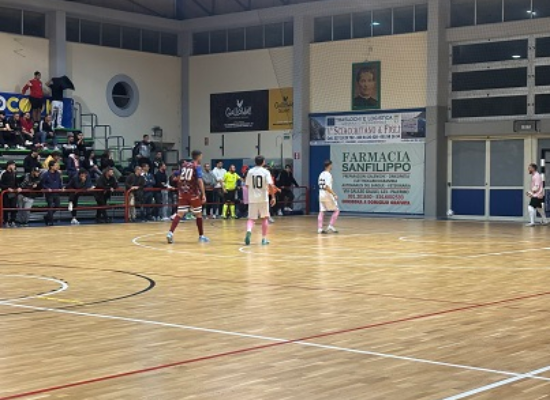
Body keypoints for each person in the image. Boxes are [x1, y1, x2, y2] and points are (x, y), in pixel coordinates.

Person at [166, 150, 209, 244]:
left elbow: (176, 175)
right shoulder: (196, 166)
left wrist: (177, 180)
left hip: (183, 193)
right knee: (198, 214)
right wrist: (203, 194)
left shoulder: (184, 165)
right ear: (199, 156)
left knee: (179, 214)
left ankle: (170, 233)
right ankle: (201, 236)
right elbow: (200, 180)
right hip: (193, 193)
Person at [244, 156, 277, 246]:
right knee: (265, 218)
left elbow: (246, 185)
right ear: (263, 162)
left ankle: (249, 231)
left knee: (251, 218)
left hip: (252, 198)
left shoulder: (250, 171)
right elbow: (270, 185)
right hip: (263, 198)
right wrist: (273, 197)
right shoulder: (266, 172)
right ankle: (263, 239)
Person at [317, 160, 340, 234]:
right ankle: (331, 225)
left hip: (321, 193)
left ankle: (320, 228)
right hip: (327, 194)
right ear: (329, 165)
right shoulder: (328, 175)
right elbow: (327, 187)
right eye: (331, 165)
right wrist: (334, 194)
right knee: (337, 210)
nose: (332, 166)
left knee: (322, 211)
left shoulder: (321, 174)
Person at [41, 160, 63, 226]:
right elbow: (42, 183)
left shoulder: (58, 174)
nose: (57, 167)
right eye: (55, 165)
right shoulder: (45, 174)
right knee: (50, 206)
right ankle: (51, 221)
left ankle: (47, 217)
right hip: (49, 193)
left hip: (56, 192)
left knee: (57, 205)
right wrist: (47, 188)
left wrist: (61, 187)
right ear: (51, 166)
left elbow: (59, 181)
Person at [1, 160, 21, 227]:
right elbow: (1, 184)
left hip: (13, 193)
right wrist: (7, 188)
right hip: (6, 193)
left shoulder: (14, 173)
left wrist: (18, 187)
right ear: (9, 165)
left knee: (13, 207)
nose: (14, 166)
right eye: (13, 165)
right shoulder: (4, 174)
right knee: (6, 207)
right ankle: (6, 221)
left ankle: (13, 221)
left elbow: (16, 182)